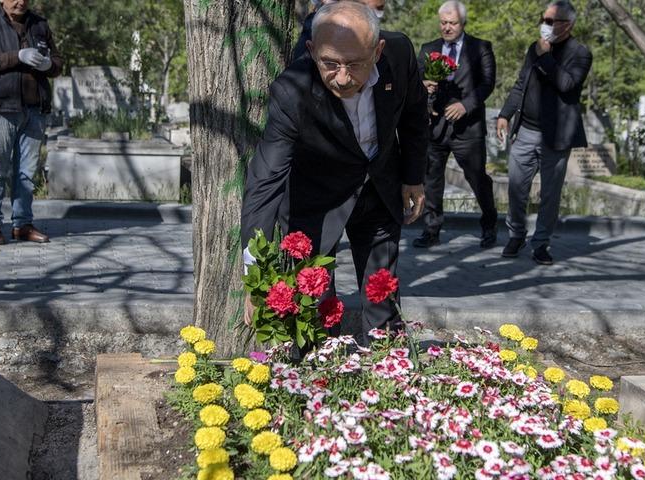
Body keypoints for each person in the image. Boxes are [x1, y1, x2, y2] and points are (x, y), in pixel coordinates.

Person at [241, 1, 428, 344]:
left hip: (378, 190)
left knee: (383, 300)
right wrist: (255, 277)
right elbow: (264, 182)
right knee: (315, 308)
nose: (342, 78)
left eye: (354, 64)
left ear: (377, 50)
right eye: (330, 63)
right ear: (312, 50)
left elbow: (414, 112)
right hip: (315, 200)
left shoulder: (399, 54)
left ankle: (385, 366)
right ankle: (319, 369)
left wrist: (413, 177)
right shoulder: (292, 91)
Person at [496, 0, 592, 265]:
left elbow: (567, 84)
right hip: (526, 130)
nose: (544, 25)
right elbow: (521, 84)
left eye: (550, 21)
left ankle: (540, 244)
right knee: (516, 188)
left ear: (567, 25)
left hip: (556, 137)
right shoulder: (534, 47)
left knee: (549, 194)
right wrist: (505, 114)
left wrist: (546, 57)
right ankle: (516, 235)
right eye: (543, 19)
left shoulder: (580, 53)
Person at [0, 0, 63, 245]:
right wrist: (18, 56)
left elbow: (57, 61)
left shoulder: (39, 24)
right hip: (1, 108)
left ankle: (22, 224)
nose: (20, 1)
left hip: (34, 109)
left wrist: (49, 64)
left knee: (26, 173)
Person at [413, 0, 497, 250]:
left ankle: (489, 226)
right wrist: (424, 85)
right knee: (431, 181)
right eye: (443, 23)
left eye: (452, 23)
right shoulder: (428, 48)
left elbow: (487, 83)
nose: (447, 27)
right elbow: (415, 78)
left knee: (477, 179)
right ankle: (431, 230)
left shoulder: (480, 48)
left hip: (467, 128)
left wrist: (465, 105)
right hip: (435, 126)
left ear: (463, 23)